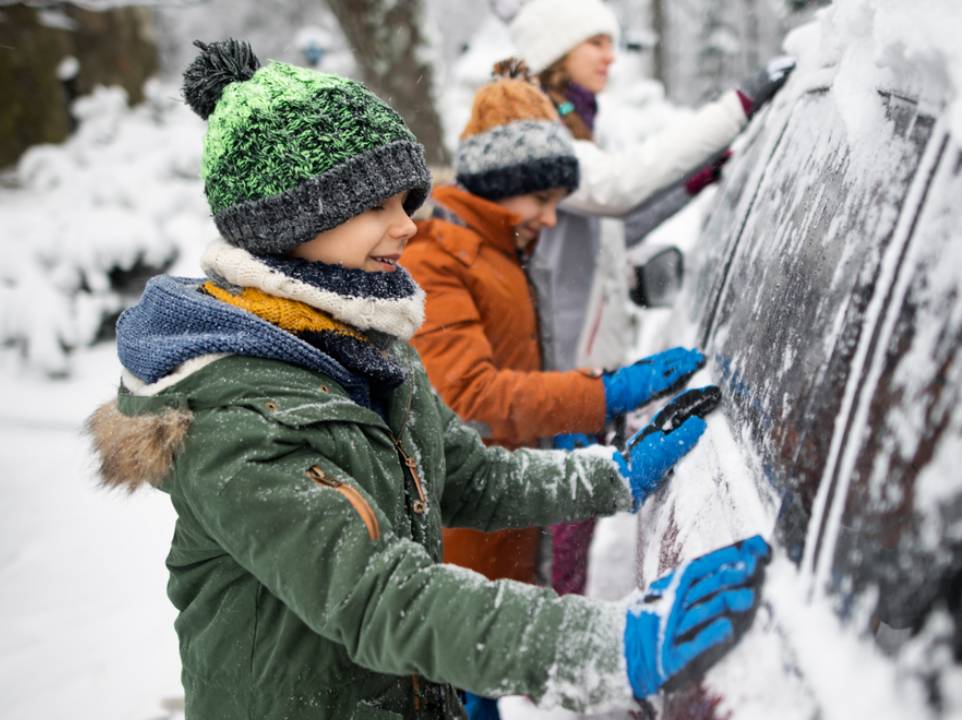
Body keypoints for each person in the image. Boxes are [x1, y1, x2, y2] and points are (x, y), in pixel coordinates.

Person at [87, 39, 770, 720]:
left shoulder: (363, 346)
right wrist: (602, 647)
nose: (408, 226)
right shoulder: (233, 420)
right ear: (290, 220)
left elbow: (471, 478)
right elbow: (379, 597)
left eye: (406, 201)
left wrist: (611, 476)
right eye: (377, 207)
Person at [502, 0, 796, 606]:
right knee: (553, 556)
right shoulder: (533, 136)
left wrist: (697, 181)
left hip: (580, 386)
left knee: (567, 546)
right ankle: (551, 644)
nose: (611, 56)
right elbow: (619, 187)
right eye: (595, 43)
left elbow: (613, 225)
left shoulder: (572, 129)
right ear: (555, 52)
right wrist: (738, 106)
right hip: (552, 388)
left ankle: (556, 629)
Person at [402, 60, 708, 588]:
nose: (550, 218)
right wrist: (603, 393)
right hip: (468, 542)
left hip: (517, 516)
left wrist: (559, 421)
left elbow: (517, 368)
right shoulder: (437, 258)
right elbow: (470, 395)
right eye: (542, 201)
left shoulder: (506, 251)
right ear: (499, 184)